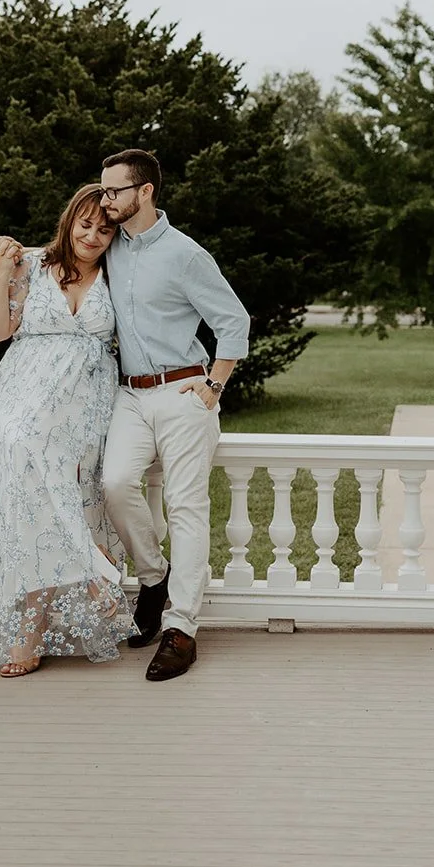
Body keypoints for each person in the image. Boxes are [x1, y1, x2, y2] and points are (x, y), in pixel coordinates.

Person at [0, 184, 135, 677]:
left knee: (48, 498)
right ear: (69, 221)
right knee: (26, 472)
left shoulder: (119, 274)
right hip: (23, 396)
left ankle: (36, 627)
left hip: (87, 403)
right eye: (85, 224)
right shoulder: (31, 264)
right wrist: (2, 271)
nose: (93, 235)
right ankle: (96, 572)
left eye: (105, 228)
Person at [100, 149, 250, 681]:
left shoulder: (187, 255)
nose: (105, 199)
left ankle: (181, 628)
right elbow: (62, 255)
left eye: (114, 190)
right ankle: (153, 577)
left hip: (186, 393)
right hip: (131, 397)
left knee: (187, 505)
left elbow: (234, 322)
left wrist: (214, 386)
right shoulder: (110, 245)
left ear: (145, 192)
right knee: (115, 483)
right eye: (102, 190)